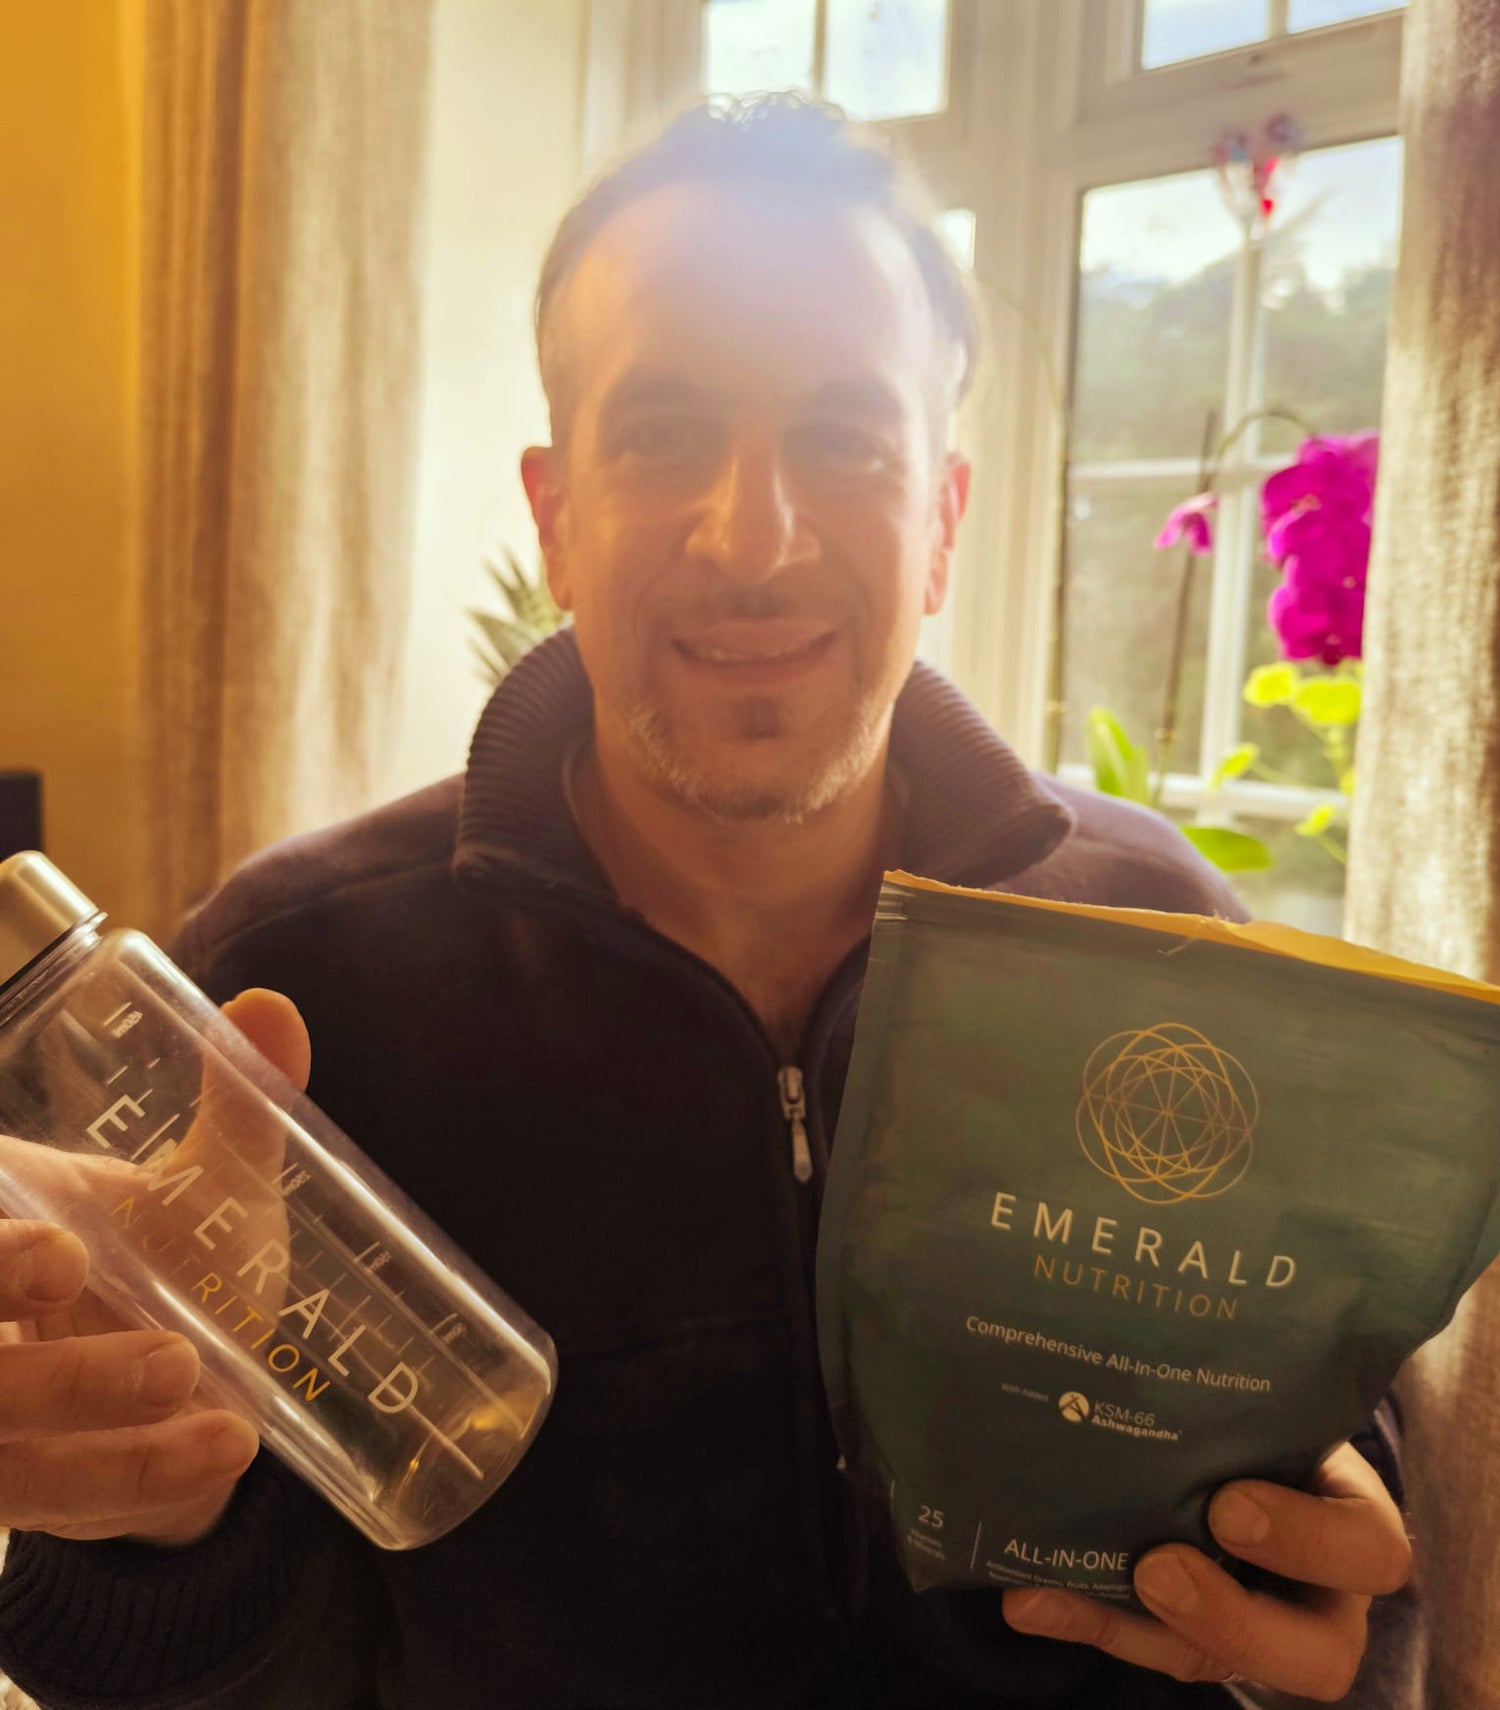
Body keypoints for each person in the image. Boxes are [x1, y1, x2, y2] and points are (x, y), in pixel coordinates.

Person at [0, 97, 1415, 1709]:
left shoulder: (1159, 947)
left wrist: (1325, 1608)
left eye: (846, 438)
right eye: (665, 433)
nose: (759, 535)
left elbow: (1311, 1493)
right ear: (556, 521)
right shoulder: (293, 992)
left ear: (943, 518)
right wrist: (154, 1525)